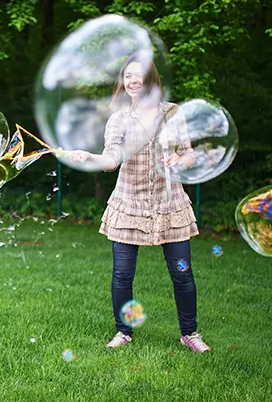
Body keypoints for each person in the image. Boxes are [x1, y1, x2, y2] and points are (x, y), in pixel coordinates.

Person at [71, 53, 211, 353]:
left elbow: (189, 153)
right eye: (127, 76)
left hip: (169, 204)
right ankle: (124, 331)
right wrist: (90, 157)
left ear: (150, 79)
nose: (133, 81)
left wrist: (179, 158)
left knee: (182, 273)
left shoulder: (171, 113)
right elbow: (111, 160)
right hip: (129, 205)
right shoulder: (119, 119)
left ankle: (190, 333)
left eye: (139, 75)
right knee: (122, 273)